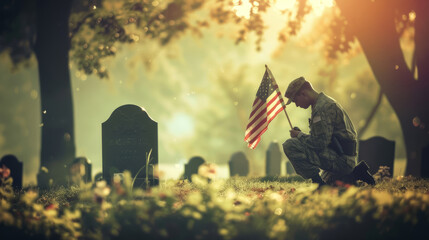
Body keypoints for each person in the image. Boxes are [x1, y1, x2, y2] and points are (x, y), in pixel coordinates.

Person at [282, 76, 375, 186]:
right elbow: (322, 139)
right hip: (341, 156)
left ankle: (319, 185)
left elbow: (318, 143)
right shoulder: (323, 103)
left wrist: (299, 136)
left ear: (303, 94)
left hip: (341, 160)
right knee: (332, 182)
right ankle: (355, 174)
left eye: (295, 100)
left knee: (290, 145)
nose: (297, 105)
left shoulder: (322, 108)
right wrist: (301, 135)